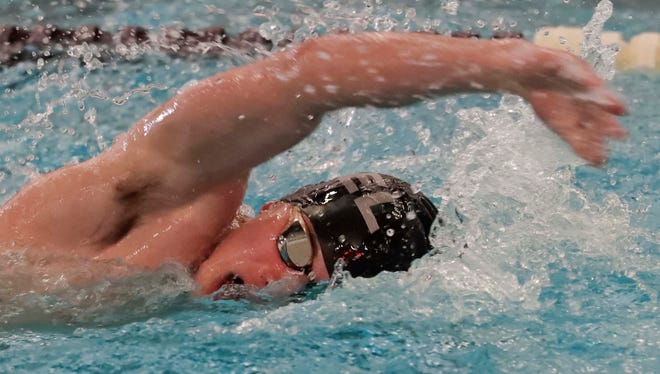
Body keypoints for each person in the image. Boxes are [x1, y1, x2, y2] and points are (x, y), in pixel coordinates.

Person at [0, 32, 626, 297]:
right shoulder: (178, 200)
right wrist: (507, 67)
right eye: (294, 250)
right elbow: (306, 77)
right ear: (275, 209)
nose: (280, 282)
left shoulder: (181, 292)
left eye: (309, 285)